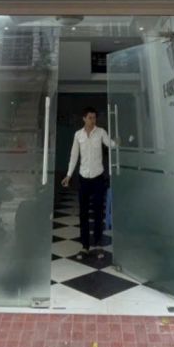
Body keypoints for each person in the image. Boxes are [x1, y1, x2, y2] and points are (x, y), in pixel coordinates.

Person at [61, 106, 113, 259]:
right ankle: (85, 246)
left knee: (98, 211)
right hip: (83, 178)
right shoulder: (78, 135)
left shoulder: (101, 132)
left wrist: (117, 143)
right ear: (84, 118)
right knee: (83, 213)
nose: (92, 120)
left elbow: (110, 144)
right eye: (90, 118)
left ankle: (98, 244)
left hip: (98, 177)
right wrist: (68, 175)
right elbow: (74, 156)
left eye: (94, 118)